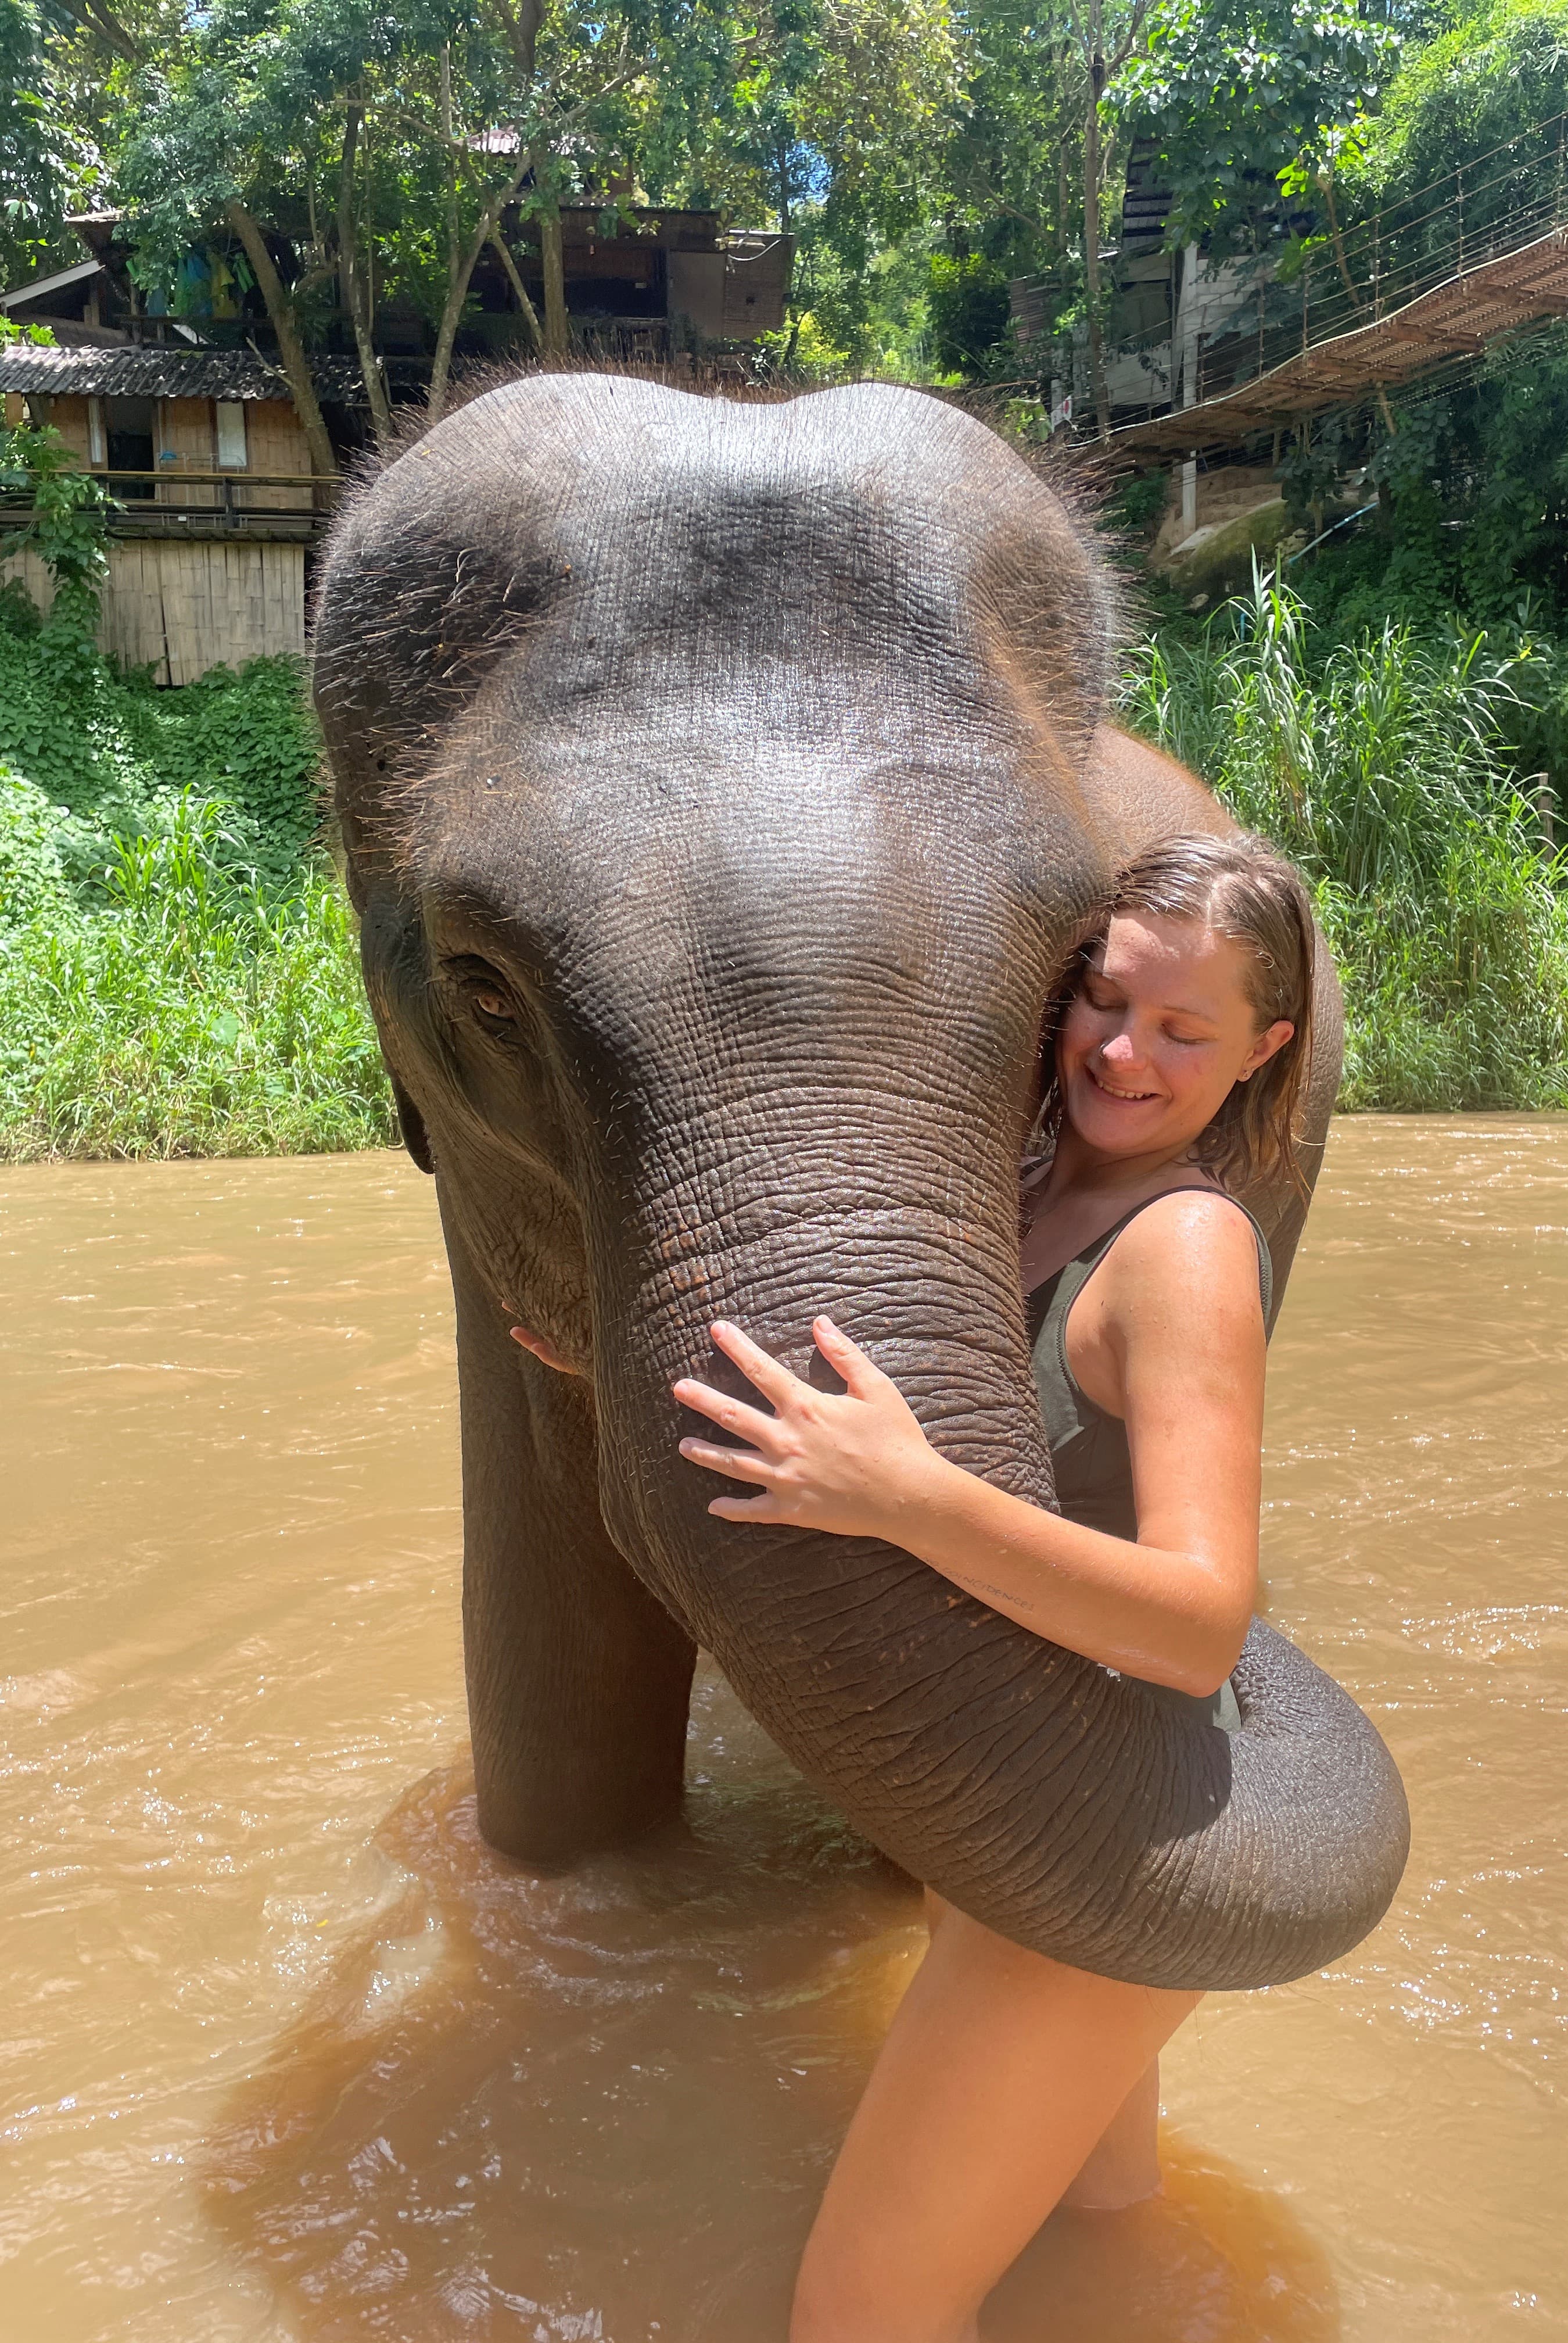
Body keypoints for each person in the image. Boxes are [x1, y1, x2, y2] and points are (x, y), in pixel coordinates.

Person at [515, 831, 1318, 2343]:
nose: (1125, 1052)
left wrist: (916, 1500)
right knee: (1097, 2225)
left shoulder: (1186, 1248)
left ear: (1266, 1051)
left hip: (1101, 1841)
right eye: (1106, 1000)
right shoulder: (1018, 1188)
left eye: (1185, 1030)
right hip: (1011, 1800)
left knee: (864, 2310)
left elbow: (1205, 1611)